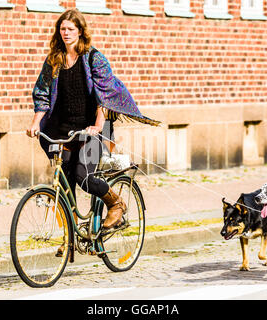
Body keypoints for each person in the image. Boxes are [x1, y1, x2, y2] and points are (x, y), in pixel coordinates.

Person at [26, 9, 159, 253]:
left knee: (82, 175)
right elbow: (42, 93)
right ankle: (69, 238)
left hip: (94, 130)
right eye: (62, 29)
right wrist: (36, 122)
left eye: (70, 29)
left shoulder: (93, 58)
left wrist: (98, 125)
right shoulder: (54, 60)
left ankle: (116, 204)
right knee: (64, 183)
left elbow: (104, 95)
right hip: (64, 130)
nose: (65, 33)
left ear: (80, 31)